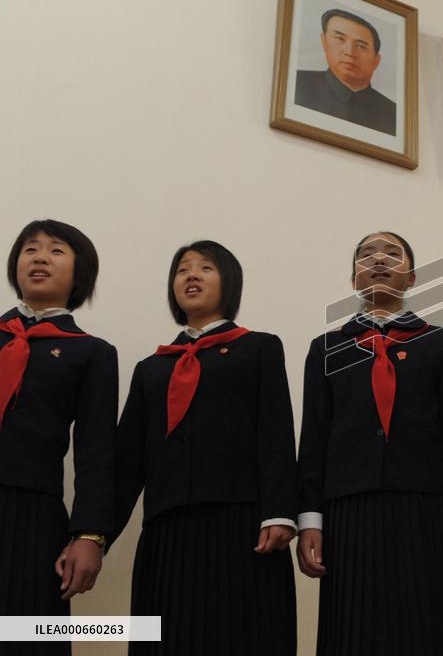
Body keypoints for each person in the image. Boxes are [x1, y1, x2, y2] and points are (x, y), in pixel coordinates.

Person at [297, 232, 443, 656]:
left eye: (392, 254)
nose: (379, 259)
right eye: (367, 254)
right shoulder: (326, 348)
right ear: (354, 278)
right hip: (348, 511)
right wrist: (310, 519)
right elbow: (314, 439)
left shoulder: (441, 342)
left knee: (429, 628)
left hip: (425, 508)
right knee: (353, 633)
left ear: (412, 276)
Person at [113, 240, 297, 656]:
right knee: (166, 638)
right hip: (166, 530)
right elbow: (126, 462)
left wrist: (280, 511)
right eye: (182, 270)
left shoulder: (260, 347)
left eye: (205, 267)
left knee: (243, 636)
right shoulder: (151, 368)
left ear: (229, 282)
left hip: (242, 526)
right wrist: (93, 536)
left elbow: (276, 435)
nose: (191, 275)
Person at [0, 220, 116, 656]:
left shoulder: (92, 353)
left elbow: (97, 448)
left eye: (56, 251)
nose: (40, 257)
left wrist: (90, 535)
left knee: (25, 636)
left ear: (80, 273)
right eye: (30, 249)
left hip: (33, 514)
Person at [295, 8, 396, 135]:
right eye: (340, 39)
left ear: (376, 61)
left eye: (361, 46)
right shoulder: (295, 83)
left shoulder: (394, 114)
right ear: (324, 42)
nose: (350, 52)